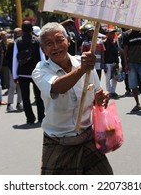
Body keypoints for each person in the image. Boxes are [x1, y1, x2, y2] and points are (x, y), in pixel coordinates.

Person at [32, 22, 113, 175]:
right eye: (49, 44)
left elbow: (97, 93)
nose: (55, 46)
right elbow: (57, 87)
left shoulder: (84, 63)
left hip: (88, 138)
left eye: (59, 40)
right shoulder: (40, 70)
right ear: (43, 49)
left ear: (68, 40)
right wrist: (82, 70)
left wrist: (102, 96)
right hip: (59, 142)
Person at [12, 21, 45, 124]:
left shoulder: (17, 41)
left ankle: (30, 118)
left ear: (22, 30)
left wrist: (15, 75)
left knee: (25, 97)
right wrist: (44, 71)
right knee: (39, 96)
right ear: (32, 30)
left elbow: (15, 59)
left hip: (22, 73)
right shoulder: (37, 41)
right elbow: (42, 57)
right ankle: (41, 116)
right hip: (36, 72)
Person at [6, 28, 23, 112]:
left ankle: (19, 103)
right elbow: (8, 58)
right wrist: (12, 69)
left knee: (20, 87)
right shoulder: (11, 45)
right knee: (12, 86)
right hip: (12, 69)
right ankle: (9, 104)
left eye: (19, 33)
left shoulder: (21, 43)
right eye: (16, 33)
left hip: (20, 69)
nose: (18, 34)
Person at [103, 28, 120, 98]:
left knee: (115, 78)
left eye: (114, 33)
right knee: (107, 78)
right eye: (111, 33)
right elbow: (103, 54)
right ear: (107, 34)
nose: (113, 35)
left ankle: (113, 91)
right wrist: (103, 64)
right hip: (107, 63)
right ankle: (108, 92)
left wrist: (117, 63)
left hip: (114, 63)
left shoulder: (115, 42)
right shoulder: (104, 42)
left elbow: (116, 53)